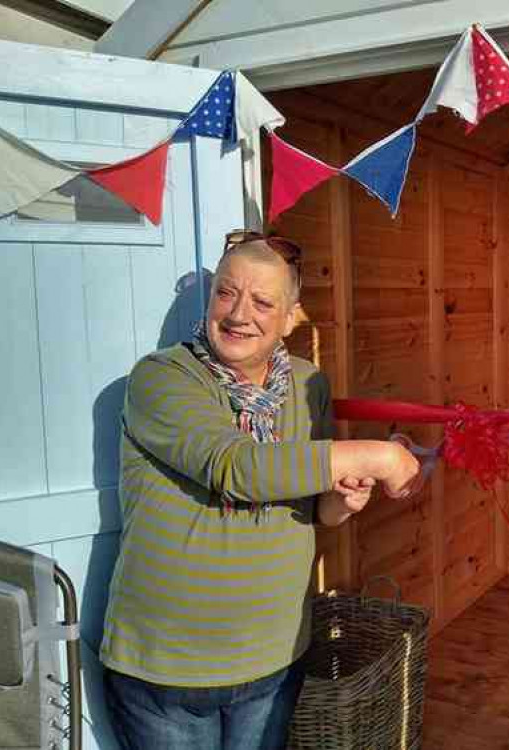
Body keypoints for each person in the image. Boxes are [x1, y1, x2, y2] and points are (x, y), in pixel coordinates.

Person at [100, 230, 421, 750]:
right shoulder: (162, 378)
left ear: (291, 317)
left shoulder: (306, 383)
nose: (238, 314)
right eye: (226, 292)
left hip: (273, 660)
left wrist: (341, 498)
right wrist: (378, 455)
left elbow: (316, 508)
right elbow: (239, 467)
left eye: (262, 301)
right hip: (169, 669)